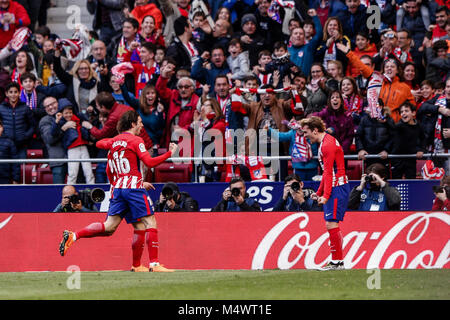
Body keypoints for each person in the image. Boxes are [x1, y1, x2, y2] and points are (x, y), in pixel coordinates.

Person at [59, 110, 179, 273]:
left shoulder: (115, 142)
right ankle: (154, 264)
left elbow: (102, 151)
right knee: (150, 222)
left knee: (113, 227)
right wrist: (170, 153)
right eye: (139, 122)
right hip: (133, 188)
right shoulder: (136, 140)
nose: (142, 125)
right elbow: (150, 163)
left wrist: (113, 142)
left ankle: (74, 236)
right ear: (132, 124)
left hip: (118, 188)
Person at [300, 116, 350, 271]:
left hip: (337, 187)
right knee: (331, 224)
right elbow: (327, 173)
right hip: (334, 186)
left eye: (306, 132)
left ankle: (337, 262)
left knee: (331, 223)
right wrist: (319, 192)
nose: (305, 136)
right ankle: (337, 262)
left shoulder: (327, 145)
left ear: (315, 130)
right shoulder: (326, 142)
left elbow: (329, 173)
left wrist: (326, 195)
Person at [51, 98, 95, 185]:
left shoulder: (78, 118)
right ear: (61, 113)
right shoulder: (61, 122)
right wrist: (57, 121)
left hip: (83, 146)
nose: (68, 115)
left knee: (88, 171)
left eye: (70, 112)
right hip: (72, 149)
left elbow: (87, 122)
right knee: (72, 173)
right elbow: (53, 133)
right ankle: (69, 191)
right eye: (66, 113)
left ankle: (92, 190)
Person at [390, 102, 426, 179]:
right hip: (397, 159)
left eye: (406, 111)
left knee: (411, 182)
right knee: (396, 182)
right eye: (401, 112)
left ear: (413, 113)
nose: (403, 113)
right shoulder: (398, 126)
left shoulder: (418, 125)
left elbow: (423, 138)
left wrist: (421, 150)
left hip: (411, 159)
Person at [0, 82, 35, 159]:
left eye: (15, 92)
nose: (13, 94)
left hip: (21, 145)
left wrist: (25, 136)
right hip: (5, 144)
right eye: (11, 92)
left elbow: (32, 125)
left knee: (21, 168)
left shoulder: (25, 108)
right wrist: (2, 136)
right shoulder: (1, 108)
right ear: (6, 94)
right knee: (5, 168)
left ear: (19, 93)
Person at [39, 96, 67, 184]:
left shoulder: (67, 115)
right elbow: (49, 139)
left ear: (58, 103)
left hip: (74, 158)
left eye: (53, 104)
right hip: (58, 161)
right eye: (47, 106)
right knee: (58, 192)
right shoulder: (45, 121)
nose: (51, 107)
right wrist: (63, 129)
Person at [0, 118, 19, 184]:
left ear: (2, 128)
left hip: (5, 178)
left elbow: (15, 162)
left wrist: (15, 179)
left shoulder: (9, 142)